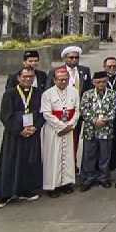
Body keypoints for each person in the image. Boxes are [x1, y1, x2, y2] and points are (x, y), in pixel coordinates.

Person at [0, 66, 44, 208]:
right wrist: (19, 130)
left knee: (28, 162)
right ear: (19, 78)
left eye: (31, 77)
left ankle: (26, 190)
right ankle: (5, 194)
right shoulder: (10, 94)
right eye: (25, 77)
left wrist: (35, 127)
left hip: (32, 133)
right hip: (14, 136)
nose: (28, 79)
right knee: (10, 163)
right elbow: (5, 115)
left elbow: (42, 113)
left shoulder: (38, 93)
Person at [41, 66, 80, 197]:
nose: (63, 82)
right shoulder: (47, 94)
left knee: (68, 157)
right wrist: (61, 126)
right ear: (54, 80)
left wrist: (70, 125)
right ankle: (52, 186)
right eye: (60, 80)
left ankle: (66, 183)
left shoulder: (74, 91)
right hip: (53, 130)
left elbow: (77, 110)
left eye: (65, 80)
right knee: (53, 158)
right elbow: (46, 114)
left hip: (69, 129)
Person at [79, 71, 116, 191]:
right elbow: (83, 110)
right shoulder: (87, 94)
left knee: (104, 156)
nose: (101, 84)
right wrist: (94, 120)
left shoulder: (112, 94)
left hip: (106, 129)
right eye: (98, 82)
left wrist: (105, 119)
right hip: (90, 129)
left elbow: (114, 110)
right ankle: (88, 179)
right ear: (93, 82)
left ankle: (104, 178)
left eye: (104, 81)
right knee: (89, 155)